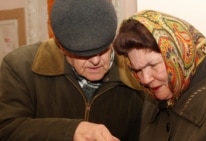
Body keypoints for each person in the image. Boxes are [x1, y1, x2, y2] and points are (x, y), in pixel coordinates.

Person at [0, 0, 144, 140]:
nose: (95, 61)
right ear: (61, 47)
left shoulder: (138, 74)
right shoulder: (20, 67)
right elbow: (6, 129)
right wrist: (71, 131)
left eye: (103, 50)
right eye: (84, 54)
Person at [113, 9, 206, 141]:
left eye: (153, 65)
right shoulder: (152, 101)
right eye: (137, 70)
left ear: (179, 54)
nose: (145, 79)